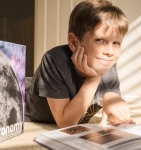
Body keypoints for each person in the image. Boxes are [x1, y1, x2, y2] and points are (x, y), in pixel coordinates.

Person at [25, 0, 135, 128]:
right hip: (25, 104)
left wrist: (112, 99)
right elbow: (66, 124)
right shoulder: (54, 60)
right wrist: (93, 79)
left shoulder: (106, 62)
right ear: (74, 42)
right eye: (100, 40)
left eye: (116, 43)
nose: (110, 52)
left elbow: (114, 116)